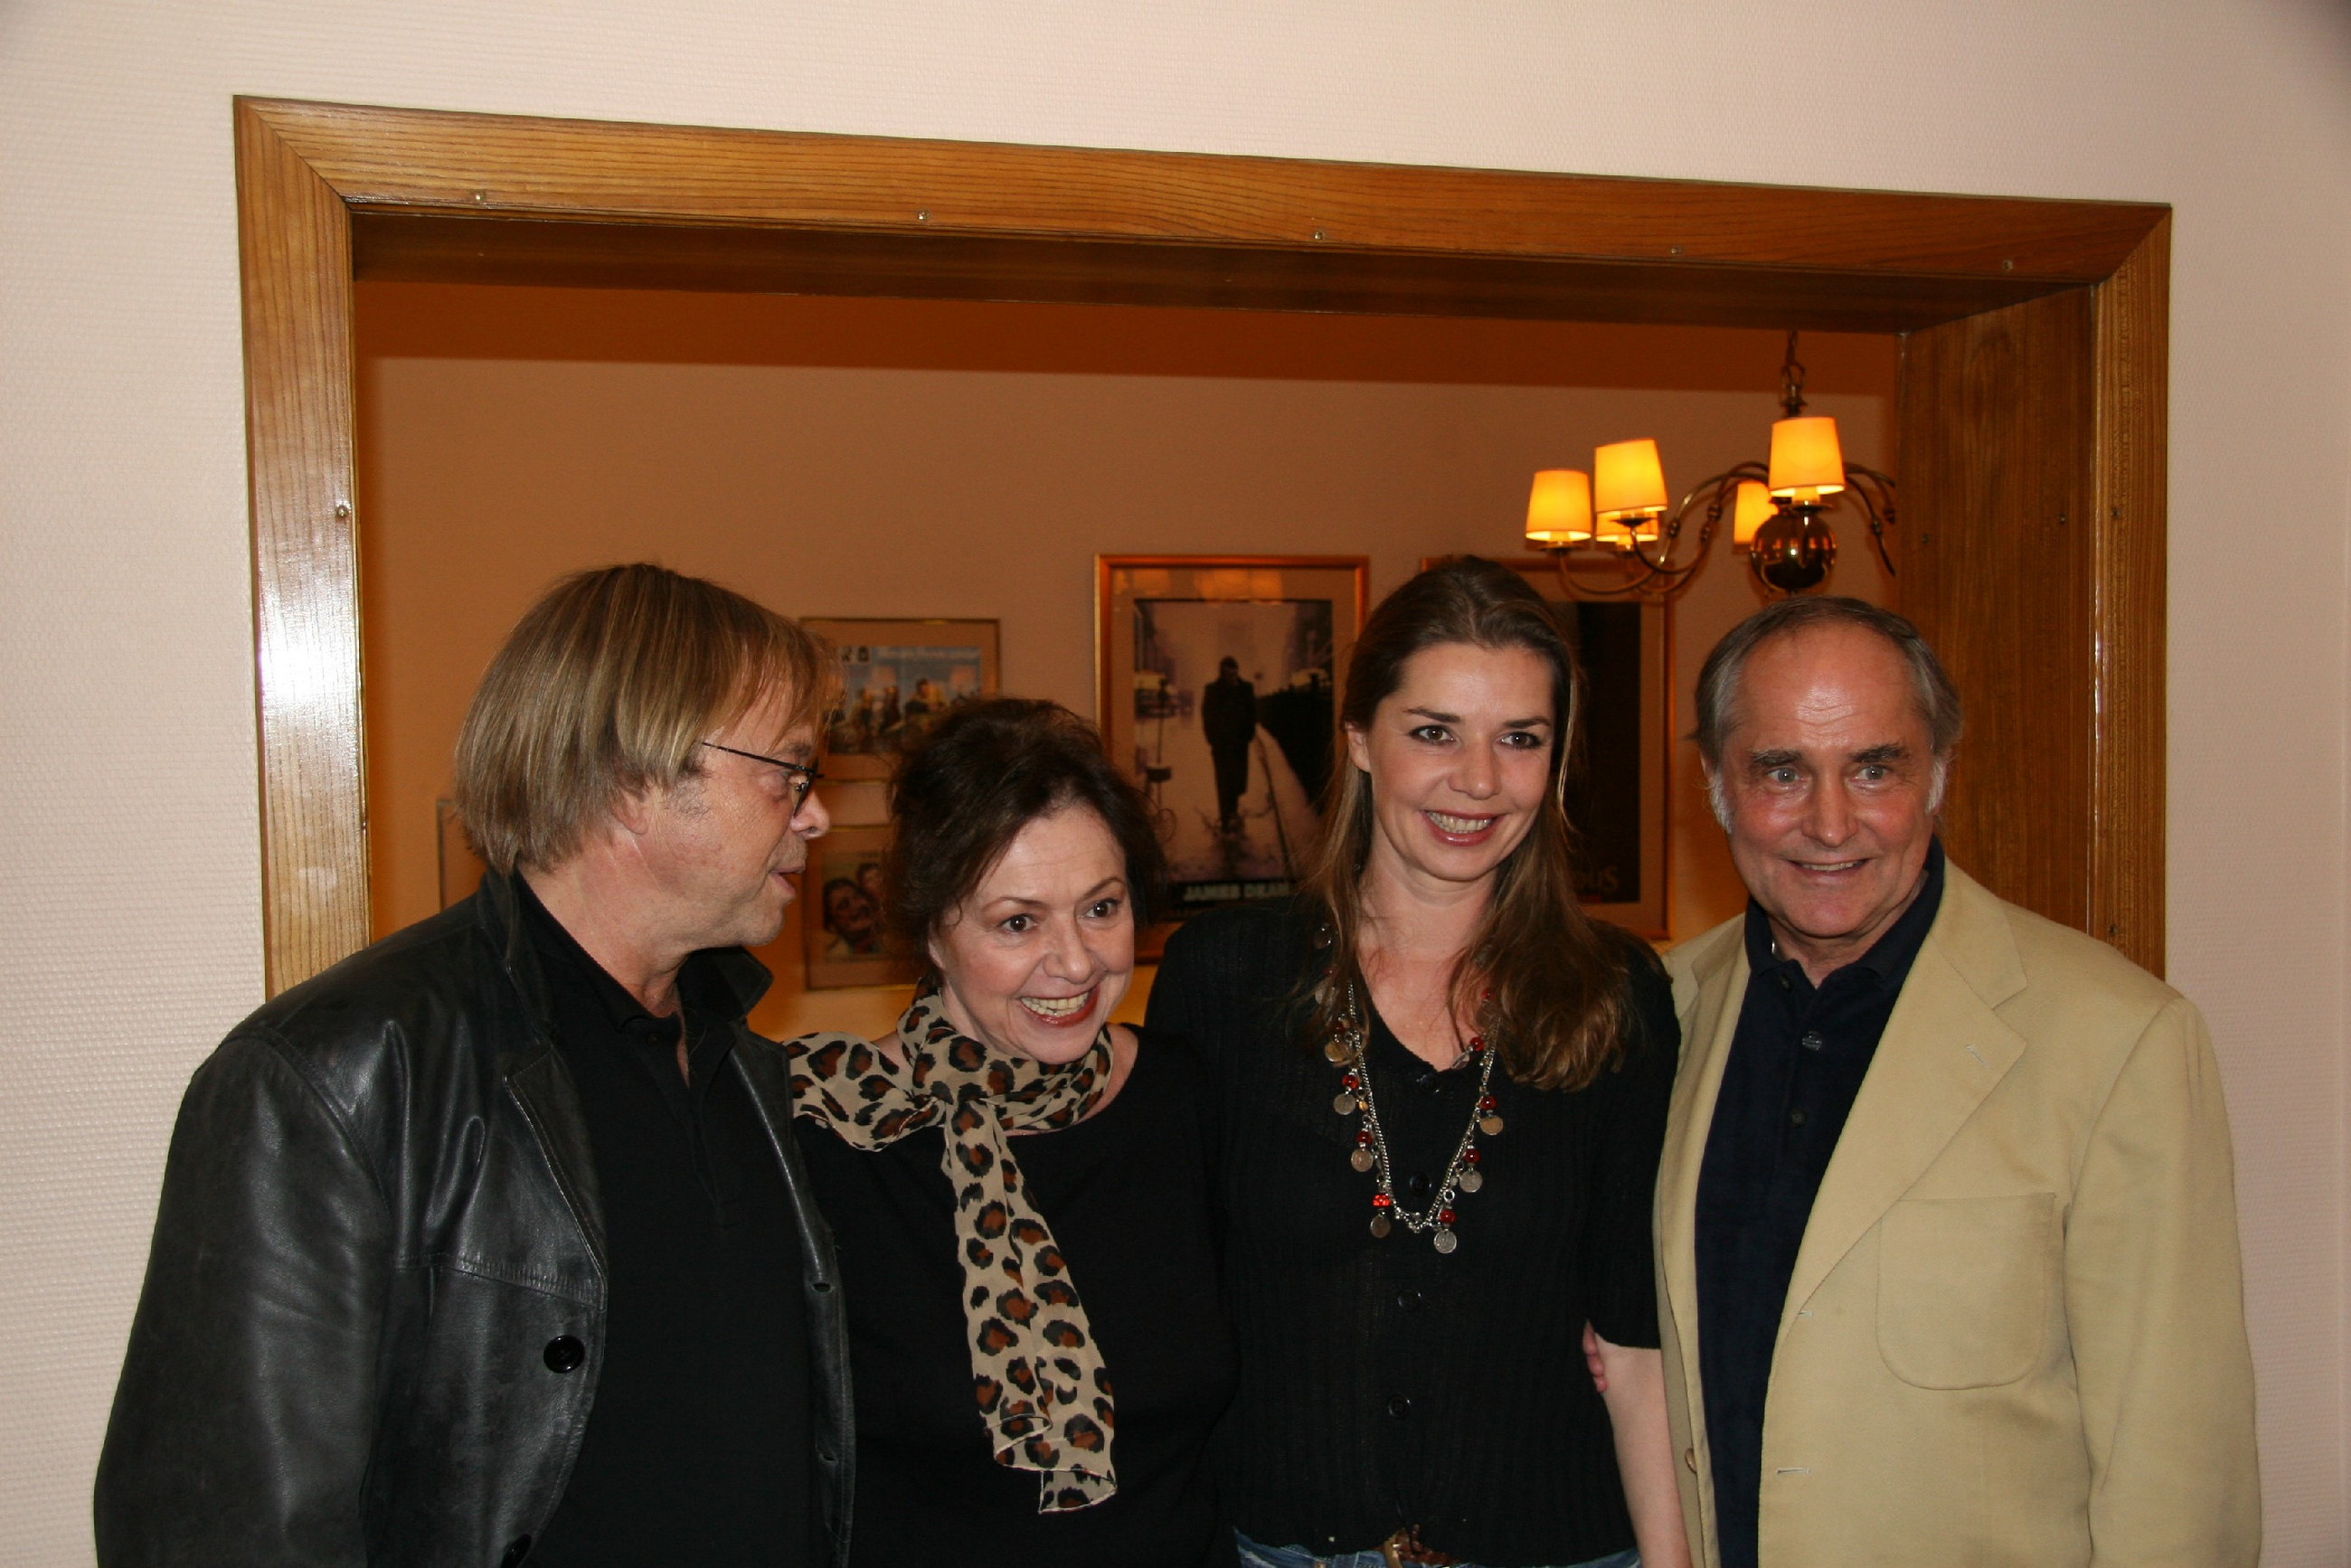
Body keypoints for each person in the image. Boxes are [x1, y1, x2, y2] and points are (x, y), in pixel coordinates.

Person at [95, 565, 852, 1567]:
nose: (815, 815)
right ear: (634, 780)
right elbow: (219, 1530)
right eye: (787, 772)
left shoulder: (738, 1061)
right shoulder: (335, 1074)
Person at [1657, 596, 2260, 1567]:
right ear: (1716, 786)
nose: (1829, 823)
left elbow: (2178, 1475)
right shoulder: (1659, 1015)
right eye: (1781, 771)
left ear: (1937, 772)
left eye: (1874, 768)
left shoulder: (2119, 1039)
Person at [1149, 557, 1689, 1568]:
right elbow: (1167, 1305)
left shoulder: (1614, 994)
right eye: (1434, 732)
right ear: (1360, 738)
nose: (1478, 780)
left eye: (1519, 738)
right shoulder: (1224, 978)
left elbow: (1634, 1341)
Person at [791, 698, 1237, 1567]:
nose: (1074, 962)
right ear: (933, 931)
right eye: (1018, 922)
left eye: (1101, 908)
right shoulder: (828, 1134)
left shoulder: (1185, 1099)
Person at [1201, 655, 1258, 832]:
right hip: (1221, 745)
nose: (1231, 677)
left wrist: (1248, 735)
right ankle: (1225, 816)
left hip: (1240, 743)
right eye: (1227, 674)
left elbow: (1252, 713)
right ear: (1222, 673)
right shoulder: (1212, 690)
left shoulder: (1246, 688)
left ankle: (1232, 809)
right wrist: (1212, 739)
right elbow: (1207, 715)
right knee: (1223, 780)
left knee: (1237, 780)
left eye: (1233, 673)